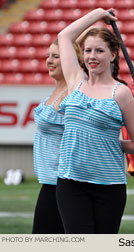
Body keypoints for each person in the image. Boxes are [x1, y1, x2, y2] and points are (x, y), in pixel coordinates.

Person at [56, 8, 134, 234]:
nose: (92, 56)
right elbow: (64, 37)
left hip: (109, 186)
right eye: (88, 51)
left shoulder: (121, 93)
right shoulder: (75, 81)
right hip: (70, 182)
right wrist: (97, 13)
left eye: (99, 51)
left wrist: (104, 143)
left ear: (113, 54)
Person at [32, 39, 82, 233]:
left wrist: (99, 15)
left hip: (63, 182)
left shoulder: (74, 92)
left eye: (56, 56)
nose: (49, 61)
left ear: (71, 60)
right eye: (47, 56)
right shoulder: (56, 90)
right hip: (51, 182)